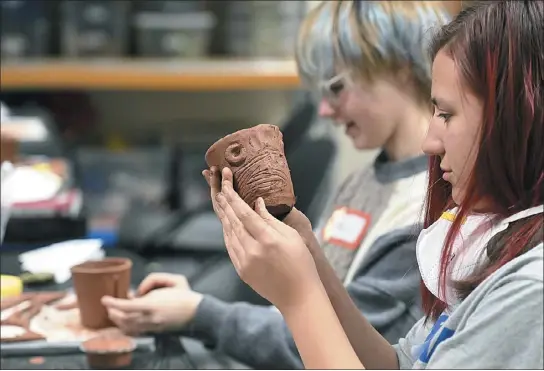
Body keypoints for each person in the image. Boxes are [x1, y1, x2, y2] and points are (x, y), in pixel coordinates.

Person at [98, 1, 453, 369]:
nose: (325, 111)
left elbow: (333, 340)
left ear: (398, 68)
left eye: (336, 87)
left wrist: (200, 314)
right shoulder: (362, 183)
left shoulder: (422, 211)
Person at [207, 1, 544, 369]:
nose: (431, 142)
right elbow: (399, 363)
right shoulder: (492, 253)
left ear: (519, 120)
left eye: (447, 115)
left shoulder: (530, 291)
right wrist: (313, 263)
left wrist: (299, 297)